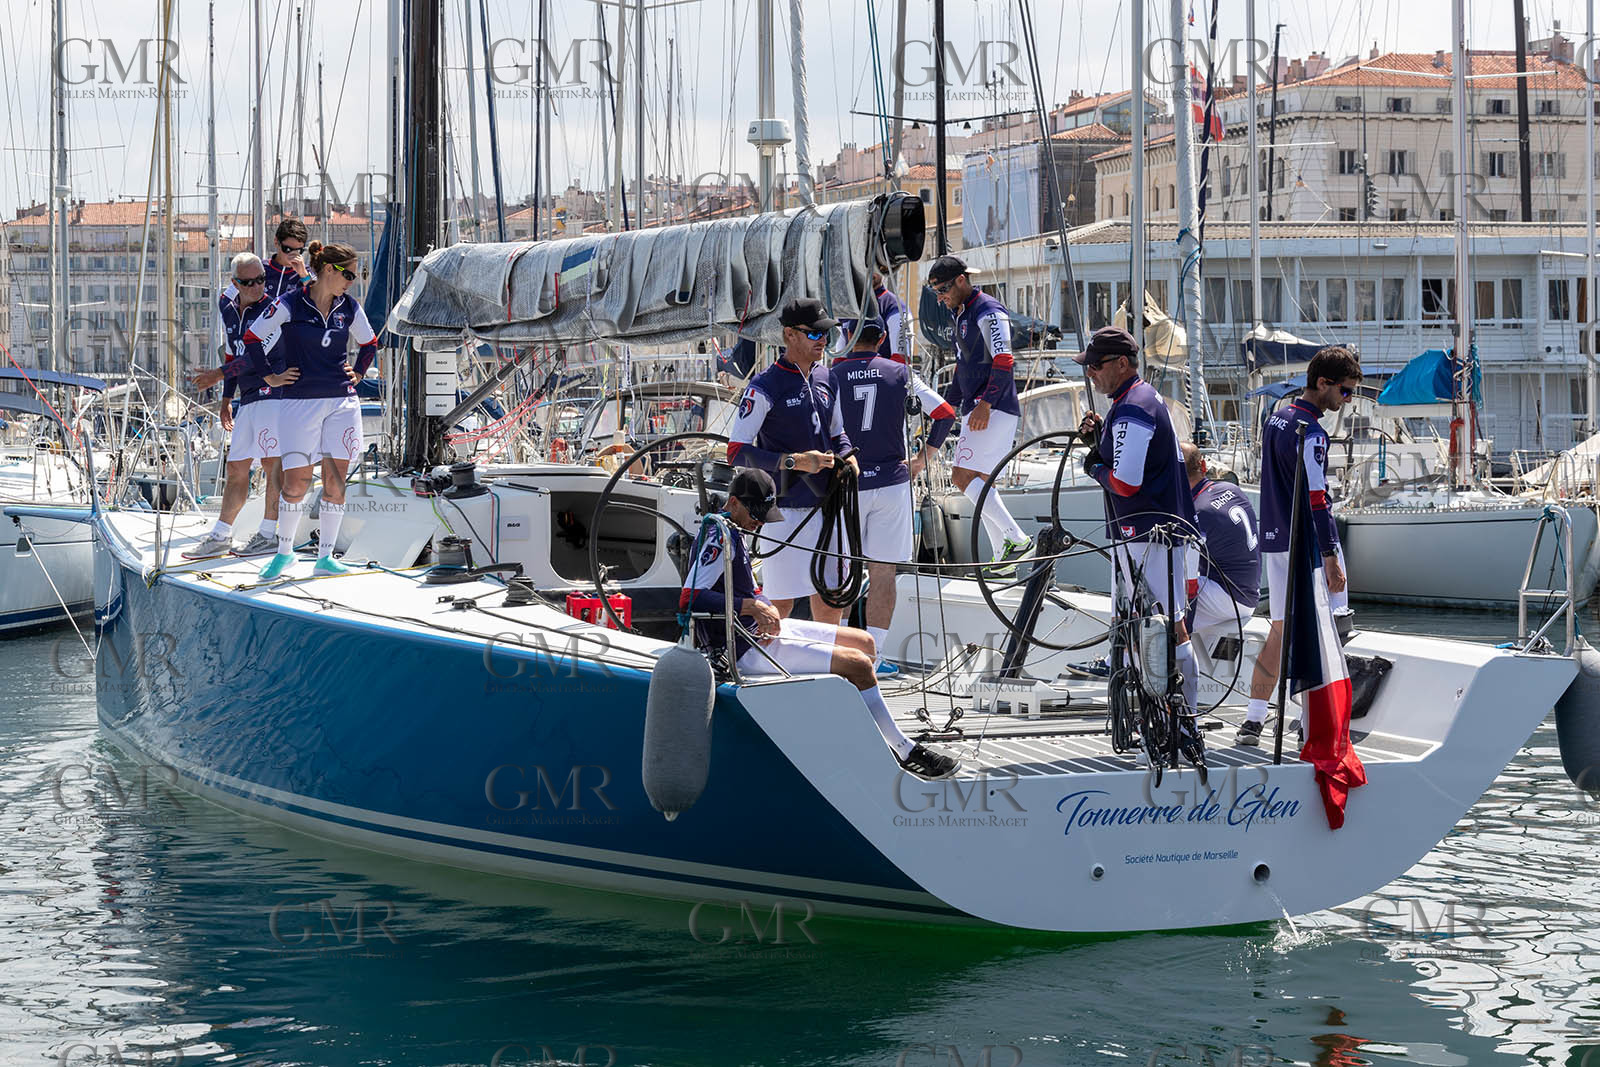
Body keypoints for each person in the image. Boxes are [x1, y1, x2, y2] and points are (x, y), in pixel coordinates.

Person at [680, 468, 959, 780]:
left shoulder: (734, 530)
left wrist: (764, 606)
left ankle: (861, 730)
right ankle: (903, 749)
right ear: (733, 502)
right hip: (740, 646)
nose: (759, 521)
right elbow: (690, 599)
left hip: (754, 632)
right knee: (858, 665)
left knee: (864, 643)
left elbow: (742, 587)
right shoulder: (716, 534)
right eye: (755, 513)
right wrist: (751, 606)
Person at [1074, 326, 1202, 726]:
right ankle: (1161, 718)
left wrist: (1095, 467)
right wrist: (1101, 440)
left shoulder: (1133, 407)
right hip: (1143, 535)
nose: (1090, 373)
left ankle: (1185, 721)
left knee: (1170, 629)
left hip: (1149, 536)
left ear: (1123, 364)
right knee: (1142, 626)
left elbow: (1125, 484)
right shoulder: (1132, 401)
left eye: (1095, 366)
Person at [1237, 345, 1363, 746]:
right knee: (1324, 633)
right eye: (1344, 392)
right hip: (1305, 545)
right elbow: (1316, 499)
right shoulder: (1313, 432)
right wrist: (1330, 556)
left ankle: (1254, 720)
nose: (1347, 401)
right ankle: (1311, 726)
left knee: (1280, 629)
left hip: (1274, 540)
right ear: (1322, 383)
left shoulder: (1277, 417)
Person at [242, 241, 378, 580]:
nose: (353, 281)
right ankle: (284, 553)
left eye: (357, 274)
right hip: (298, 402)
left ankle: (325, 557)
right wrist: (270, 377)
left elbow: (369, 342)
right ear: (328, 270)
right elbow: (252, 337)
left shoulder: (349, 306)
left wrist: (359, 373)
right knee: (297, 481)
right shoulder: (290, 303)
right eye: (349, 274)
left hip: (342, 402)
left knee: (335, 481)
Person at [829, 318, 956, 673]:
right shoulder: (900, 373)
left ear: (847, 337)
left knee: (840, 569)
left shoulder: (831, 376)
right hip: (891, 481)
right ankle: (875, 655)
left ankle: (838, 651)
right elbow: (944, 414)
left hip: (846, 482)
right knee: (883, 572)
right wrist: (921, 460)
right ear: (882, 337)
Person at [726, 297, 858, 624]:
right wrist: (795, 461)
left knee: (830, 600)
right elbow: (736, 451)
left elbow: (838, 434)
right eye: (814, 334)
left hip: (829, 507)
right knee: (778, 607)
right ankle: (760, 665)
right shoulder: (764, 386)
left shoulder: (828, 377)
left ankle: (826, 666)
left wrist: (849, 456)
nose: (823, 341)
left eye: (825, 333)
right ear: (790, 335)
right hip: (786, 511)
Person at [183, 252, 300, 559]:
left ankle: (267, 534)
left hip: (273, 395)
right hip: (248, 399)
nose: (257, 287)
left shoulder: (272, 310)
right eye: (248, 282)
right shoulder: (228, 308)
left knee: (271, 464)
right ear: (236, 283)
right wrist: (225, 399)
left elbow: (254, 357)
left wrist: (216, 376)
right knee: (237, 468)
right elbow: (234, 355)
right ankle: (221, 536)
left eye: (261, 280)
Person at [924, 255, 1032, 573]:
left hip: (993, 407)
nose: (941, 298)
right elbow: (963, 368)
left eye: (943, 290)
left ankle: (1019, 540)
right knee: (982, 482)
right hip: (981, 406)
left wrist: (985, 403)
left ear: (961, 280)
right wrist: (947, 404)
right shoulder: (961, 314)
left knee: (961, 477)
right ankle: (1003, 558)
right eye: (935, 293)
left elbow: (1004, 360)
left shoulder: (989, 311)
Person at [1181, 443, 1261, 641]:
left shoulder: (1196, 511)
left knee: (1157, 592)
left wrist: (1185, 630)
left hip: (1228, 598)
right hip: (1249, 592)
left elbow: (1187, 577)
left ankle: (1127, 661)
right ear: (1203, 466)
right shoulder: (1231, 488)